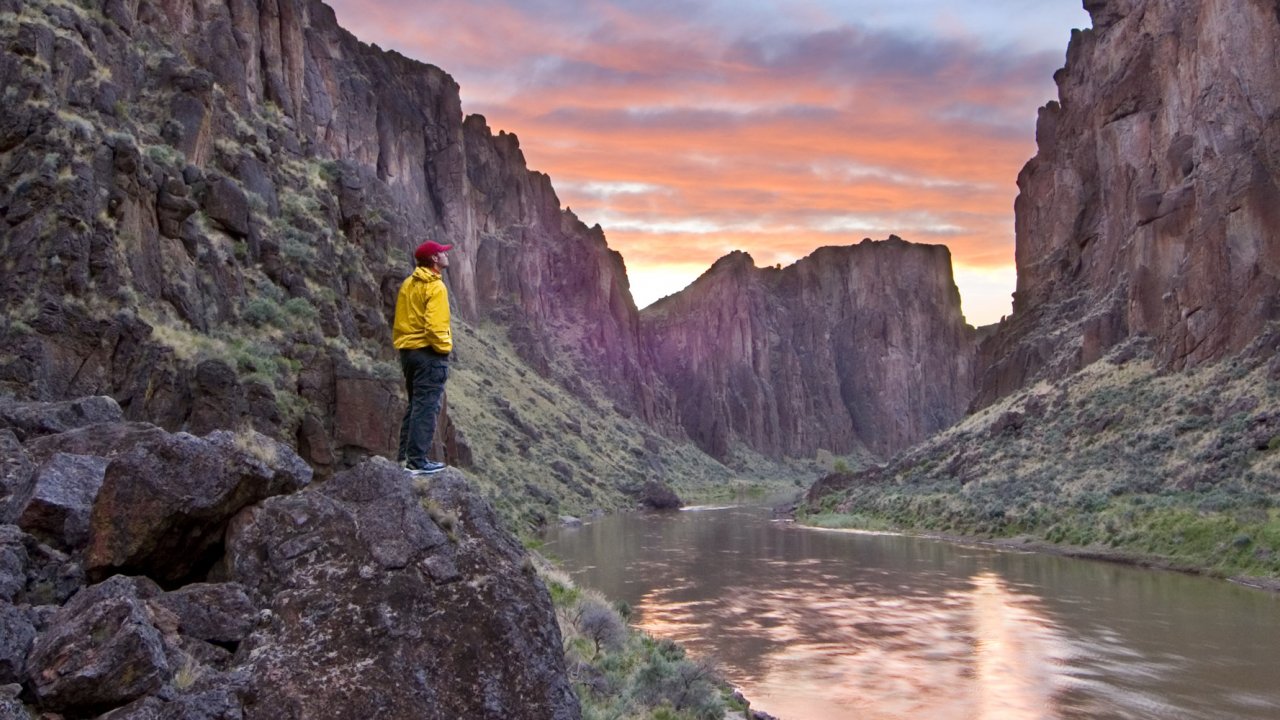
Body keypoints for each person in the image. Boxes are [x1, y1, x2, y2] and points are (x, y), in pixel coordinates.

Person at [393, 240, 453, 475]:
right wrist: (443, 348)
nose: (446, 255)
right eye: (442, 253)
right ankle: (417, 461)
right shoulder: (436, 287)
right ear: (435, 259)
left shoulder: (409, 283)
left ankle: (405, 458)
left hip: (408, 353)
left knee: (415, 405)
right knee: (426, 407)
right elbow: (434, 326)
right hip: (428, 354)